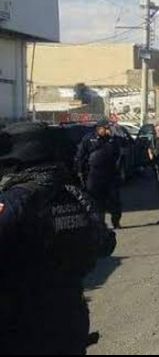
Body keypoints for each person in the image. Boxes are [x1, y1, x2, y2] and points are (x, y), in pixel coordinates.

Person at [0, 122, 116, 355]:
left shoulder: (15, 201)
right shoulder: (76, 195)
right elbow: (105, 244)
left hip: (22, 322)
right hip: (69, 316)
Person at [75, 119, 123, 229]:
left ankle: (116, 221)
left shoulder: (112, 139)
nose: (107, 130)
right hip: (94, 174)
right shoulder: (89, 139)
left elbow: (118, 153)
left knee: (114, 199)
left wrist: (113, 137)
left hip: (110, 173)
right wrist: (80, 171)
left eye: (108, 128)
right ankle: (99, 223)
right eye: (105, 128)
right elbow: (80, 156)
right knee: (95, 200)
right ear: (99, 128)